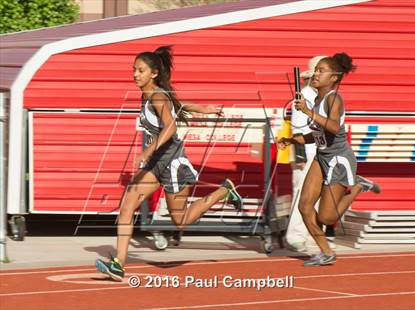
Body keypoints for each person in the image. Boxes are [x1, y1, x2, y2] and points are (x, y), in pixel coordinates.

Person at [95, 45, 243, 281]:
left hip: (173, 163)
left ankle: (224, 191)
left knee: (180, 220)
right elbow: (179, 104)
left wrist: (147, 151)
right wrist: (204, 109)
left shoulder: (158, 95)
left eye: (140, 70)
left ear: (153, 73)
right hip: (156, 165)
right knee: (126, 206)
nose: (135, 74)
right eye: (133, 70)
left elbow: (171, 125)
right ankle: (118, 264)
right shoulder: (151, 94)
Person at [277, 53, 380, 266]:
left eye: (321, 71)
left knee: (327, 218)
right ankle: (326, 252)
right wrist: (291, 139)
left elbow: (333, 127)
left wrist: (306, 111)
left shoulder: (334, 98)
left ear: (334, 77)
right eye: (315, 70)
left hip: (338, 159)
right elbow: (316, 134)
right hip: (321, 157)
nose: (315, 74)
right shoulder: (316, 100)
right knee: (304, 206)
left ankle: (359, 185)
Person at [286, 55, 336, 253]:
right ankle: (296, 237)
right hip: (307, 153)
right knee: (303, 195)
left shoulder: (322, 96)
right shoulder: (303, 96)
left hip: (321, 153)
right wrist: (299, 156)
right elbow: (297, 127)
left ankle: (312, 235)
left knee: (316, 196)